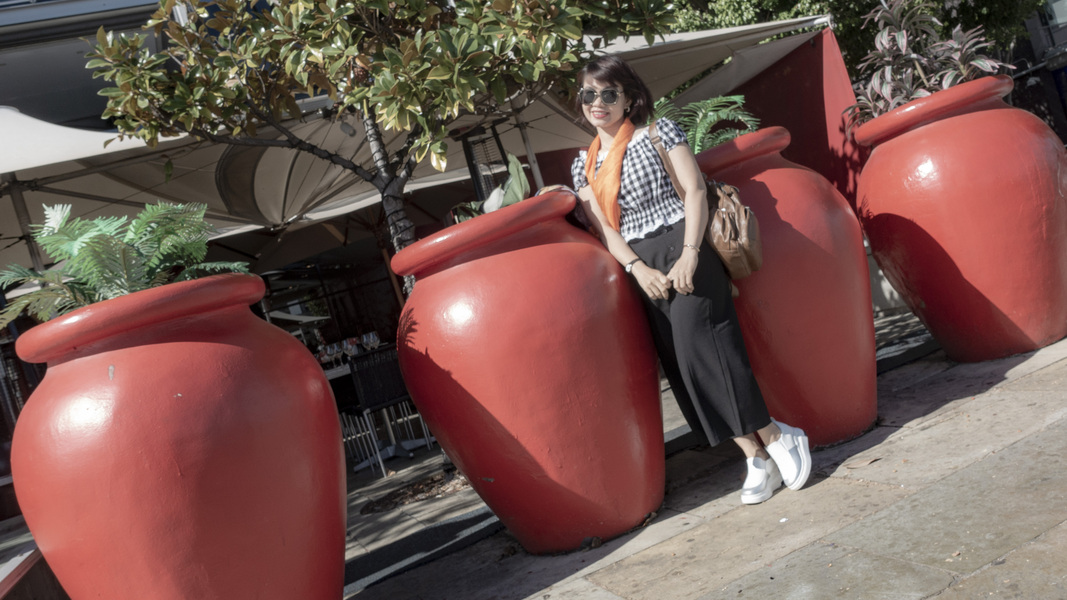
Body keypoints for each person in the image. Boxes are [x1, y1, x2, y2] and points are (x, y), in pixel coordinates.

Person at [570, 55, 811, 504]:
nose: (596, 102)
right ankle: (754, 457)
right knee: (685, 367)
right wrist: (637, 269)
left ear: (629, 99)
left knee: (708, 352)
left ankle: (778, 435)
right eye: (588, 93)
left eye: (608, 93)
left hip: (685, 244)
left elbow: (695, 190)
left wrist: (689, 253)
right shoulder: (583, 164)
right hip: (642, 267)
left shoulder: (658, 133)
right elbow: (605, 229)